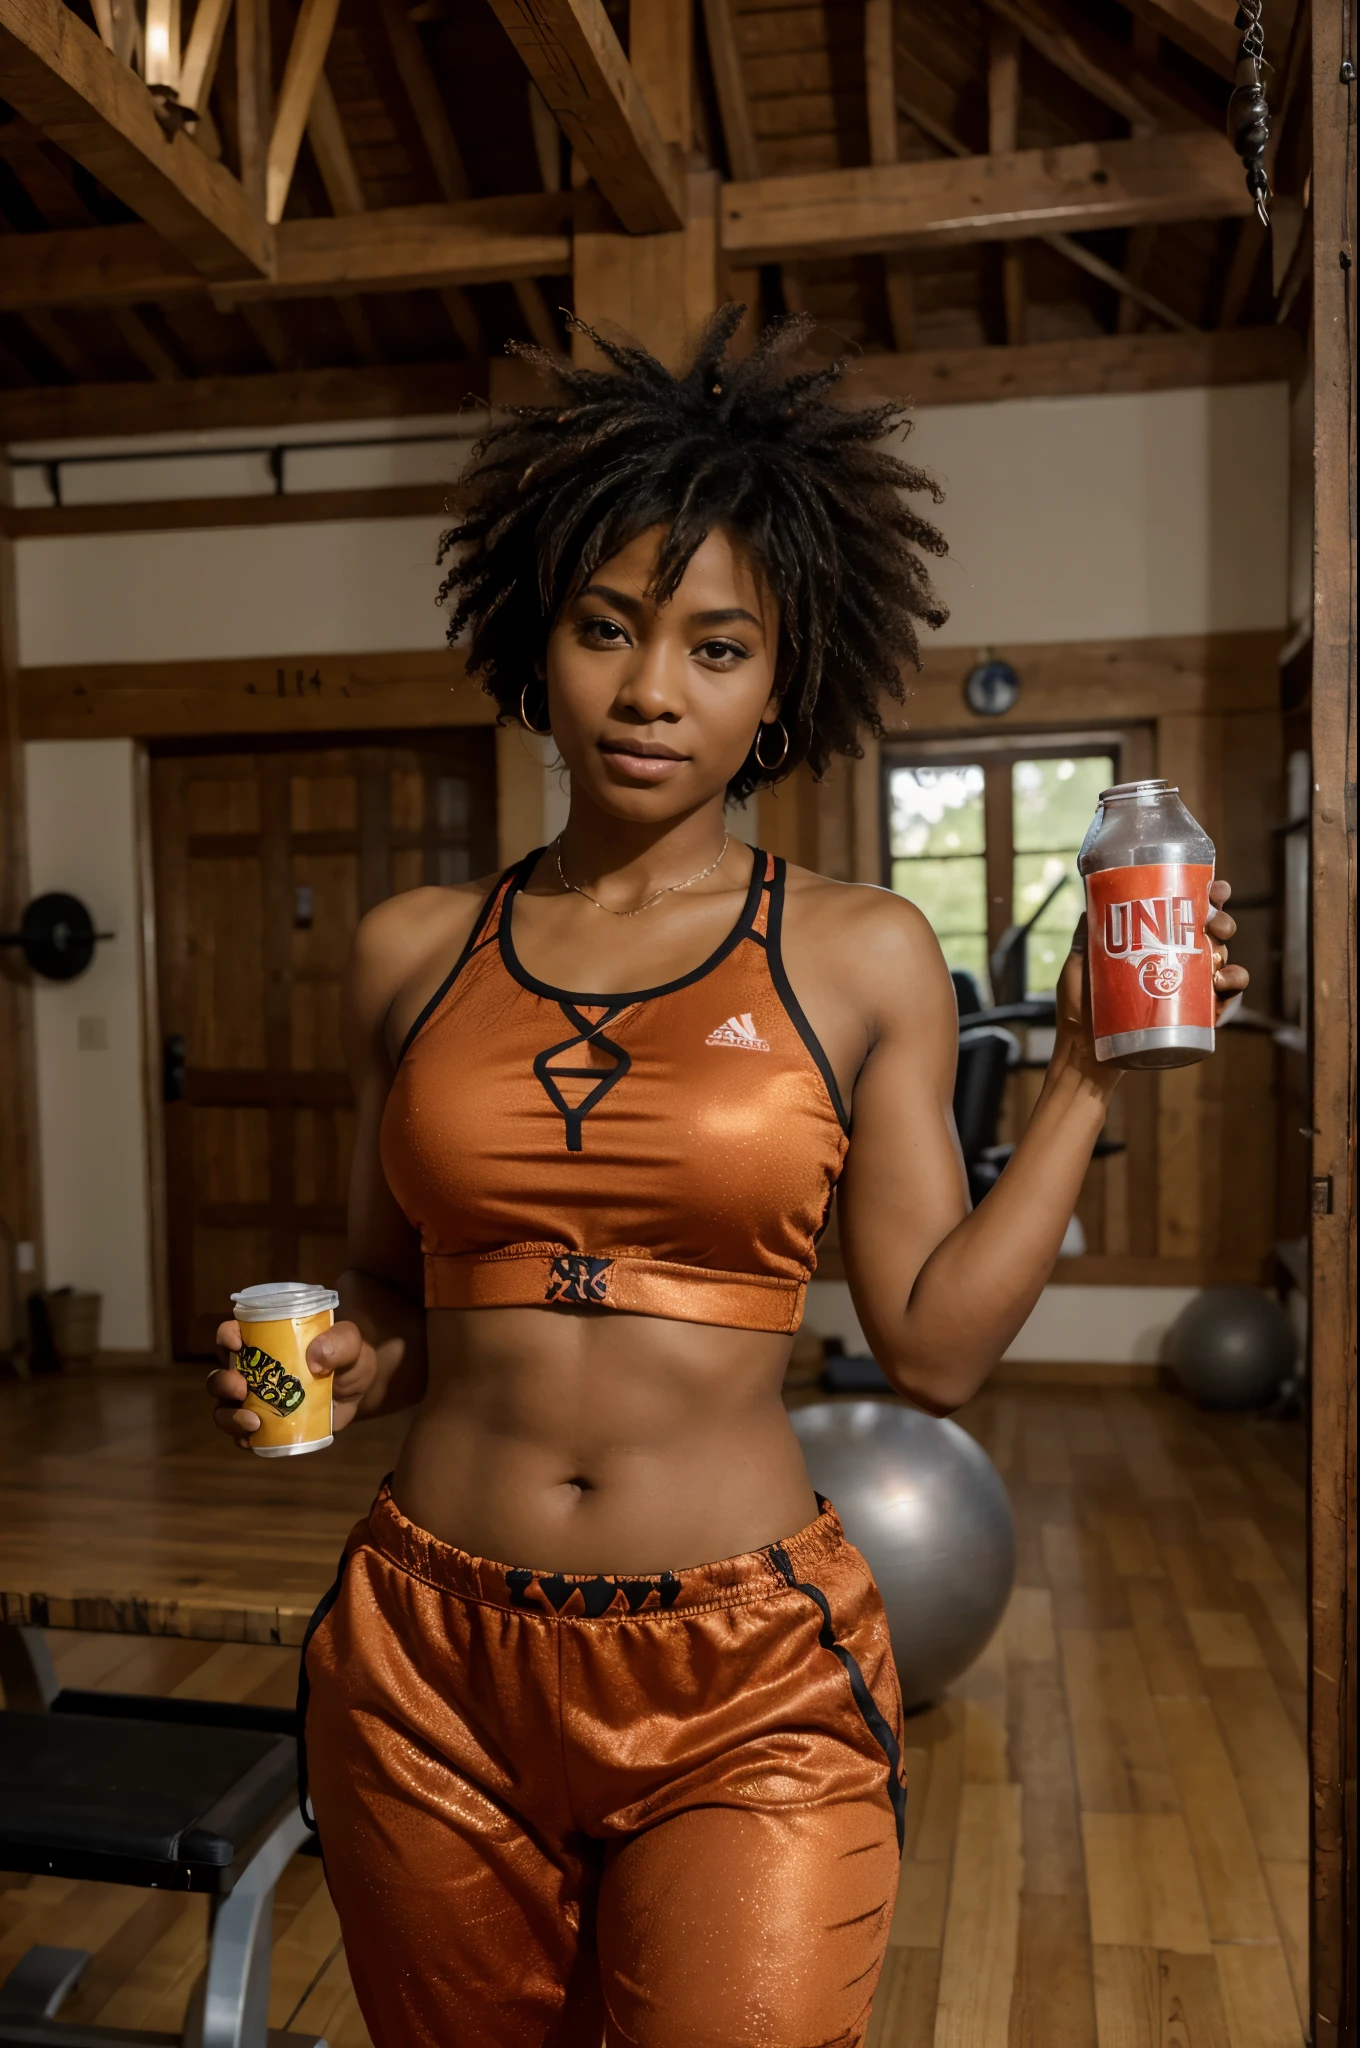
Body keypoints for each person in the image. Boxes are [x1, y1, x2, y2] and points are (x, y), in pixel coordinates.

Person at [207, 308, 1247, 2048]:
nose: (649, 690)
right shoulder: (409, 950)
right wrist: (342, 1361)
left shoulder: (859, 952)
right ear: (536, 637)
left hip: (744, 1672)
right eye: (607, 628)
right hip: (420, 1666)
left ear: (784, 680)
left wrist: (1078, 1077)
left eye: (714, 646)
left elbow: (933, 1348)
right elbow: (384, 1284)